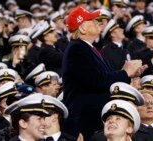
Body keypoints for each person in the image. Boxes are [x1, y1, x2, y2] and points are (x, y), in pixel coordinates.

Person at [62, 6, 147, 140]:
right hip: (84, 124)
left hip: (92, 120)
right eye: (92, 20)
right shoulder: (77, 48)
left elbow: (102, 79)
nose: (98, 22)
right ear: (82, 28)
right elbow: (95, 80)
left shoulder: (89, 49)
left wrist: (127, 74)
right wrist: (124, 72)